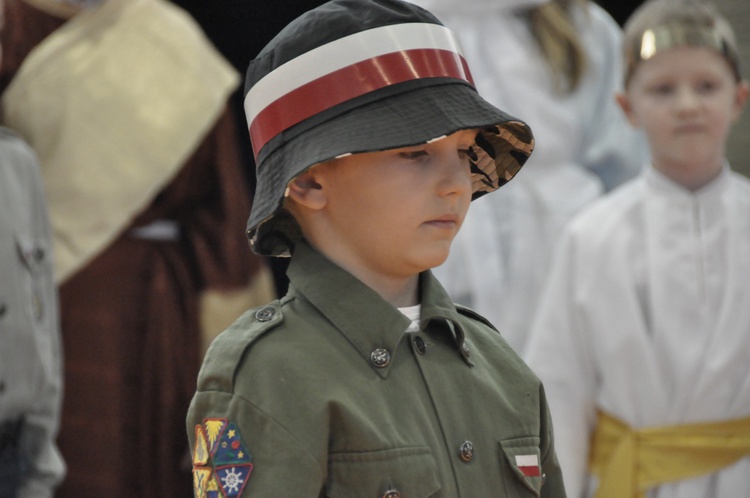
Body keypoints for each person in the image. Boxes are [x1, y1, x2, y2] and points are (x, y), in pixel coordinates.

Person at [186, 0, 567, 496]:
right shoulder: (269, 374)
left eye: (462, 150)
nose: (456, 182)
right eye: (415, 153)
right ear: (306, 182)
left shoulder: (501, 367)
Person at [0, 0, 274, 496]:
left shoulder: (166, 38)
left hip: (145, 313)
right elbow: (226, 226)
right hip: (42, 303)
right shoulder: (10, 27)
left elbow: (223, 215)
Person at [524, 0, 750, 496]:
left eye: (707, 86)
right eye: (663, 89)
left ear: (738, 99)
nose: (687, 104)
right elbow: (559, 393)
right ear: (626, 107)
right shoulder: (591, 237)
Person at [406, 0, 647, 352]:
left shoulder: (582, 26)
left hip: (569, 256)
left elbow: (624, 163)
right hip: (437, 245)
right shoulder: (392, 23)